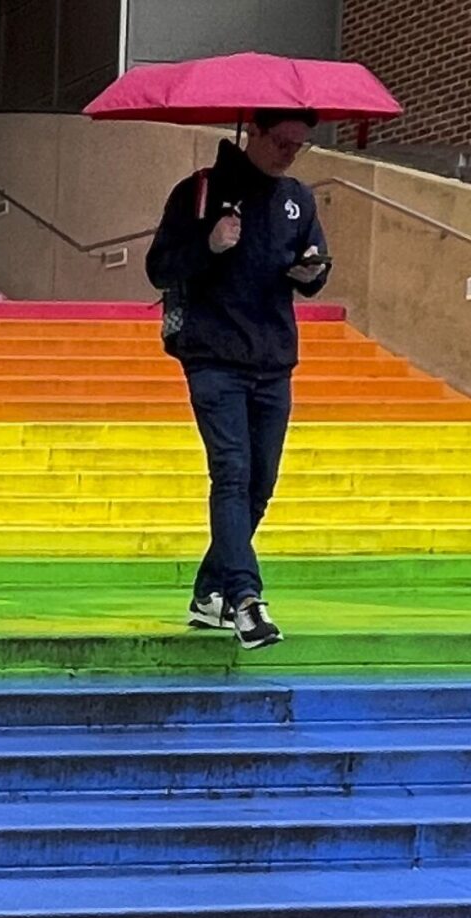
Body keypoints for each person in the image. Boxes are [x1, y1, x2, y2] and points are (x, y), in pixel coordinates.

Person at [145, 108, 330, 650]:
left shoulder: (297, 197)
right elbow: (159, 267)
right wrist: (210, 244)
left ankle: (209, 593)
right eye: (281, 141)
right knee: (231, 473)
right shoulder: (200, 193)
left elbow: (312, 270)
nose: (289, 153)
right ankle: (246, 601)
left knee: (260, 484)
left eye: (300, 145)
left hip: (273, 357)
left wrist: (312, 270)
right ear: (252, 133)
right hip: (213, 356)